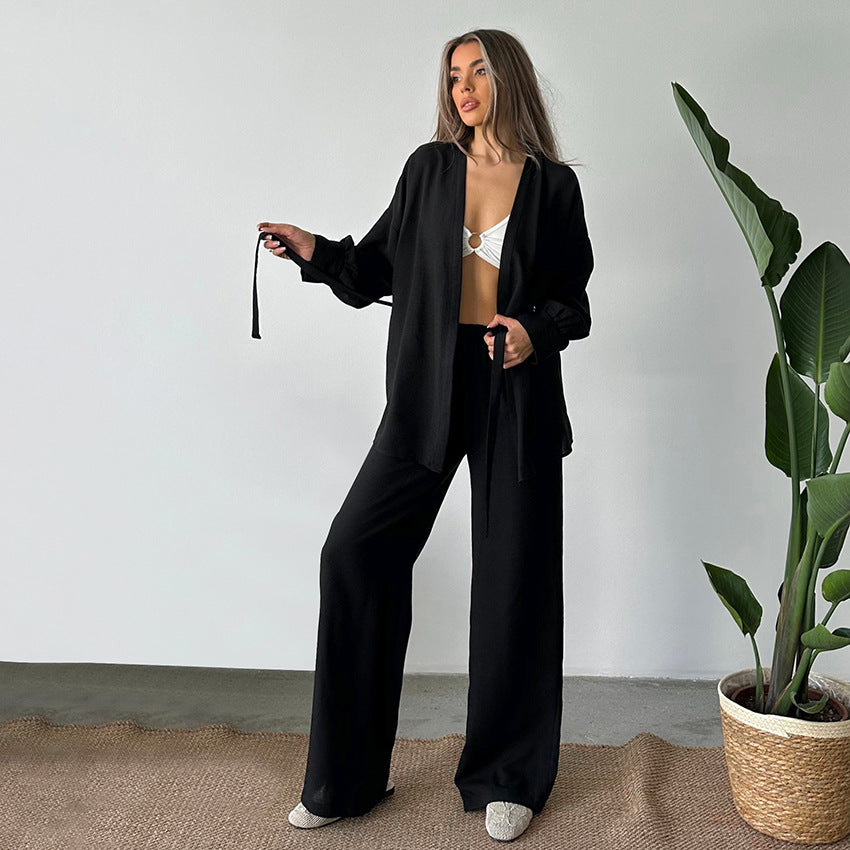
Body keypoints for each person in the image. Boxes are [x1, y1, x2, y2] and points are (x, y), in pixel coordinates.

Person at [256, 28, 593, 843]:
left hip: (513, 392)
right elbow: (378, 268)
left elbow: (574, 303)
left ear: (507, 78)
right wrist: (316, 253)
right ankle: (346, 779)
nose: (463, 87)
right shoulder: (429, 170)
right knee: (356, 550)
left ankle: (507, 778)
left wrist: (530, 334)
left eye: (478, 71)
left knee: (512, 579)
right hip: (427, 385)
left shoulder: (554, 186)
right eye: (452, 76)